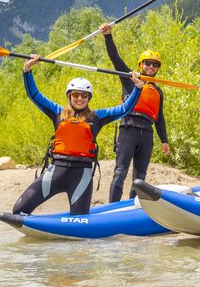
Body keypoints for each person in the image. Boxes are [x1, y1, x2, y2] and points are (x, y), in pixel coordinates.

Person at [11, 54, 145, 216]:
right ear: (69, 96)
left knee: (80, 218)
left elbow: (124, 109)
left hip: (81, 175)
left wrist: (137, 87)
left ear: (89, 98)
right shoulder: (57, 112)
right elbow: (35, 95)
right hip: (56, 170)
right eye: (75, 95)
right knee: (19, 210)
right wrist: (27, 70)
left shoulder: (97, 117)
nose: (80, 98)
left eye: (84, 95)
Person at [100, 23, 170, 203]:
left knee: (140, 177)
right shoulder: (130, 80)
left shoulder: (158, 91)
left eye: (155, 65)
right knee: (120, 171)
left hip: (147, 133)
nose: (151, 67)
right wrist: (108, 36)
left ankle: (131, 207)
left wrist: (164, 140)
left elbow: (159, 118)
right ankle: (112, 207)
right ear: (141, 64)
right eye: (148, 63)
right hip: (129, 128)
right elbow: (115, 58)